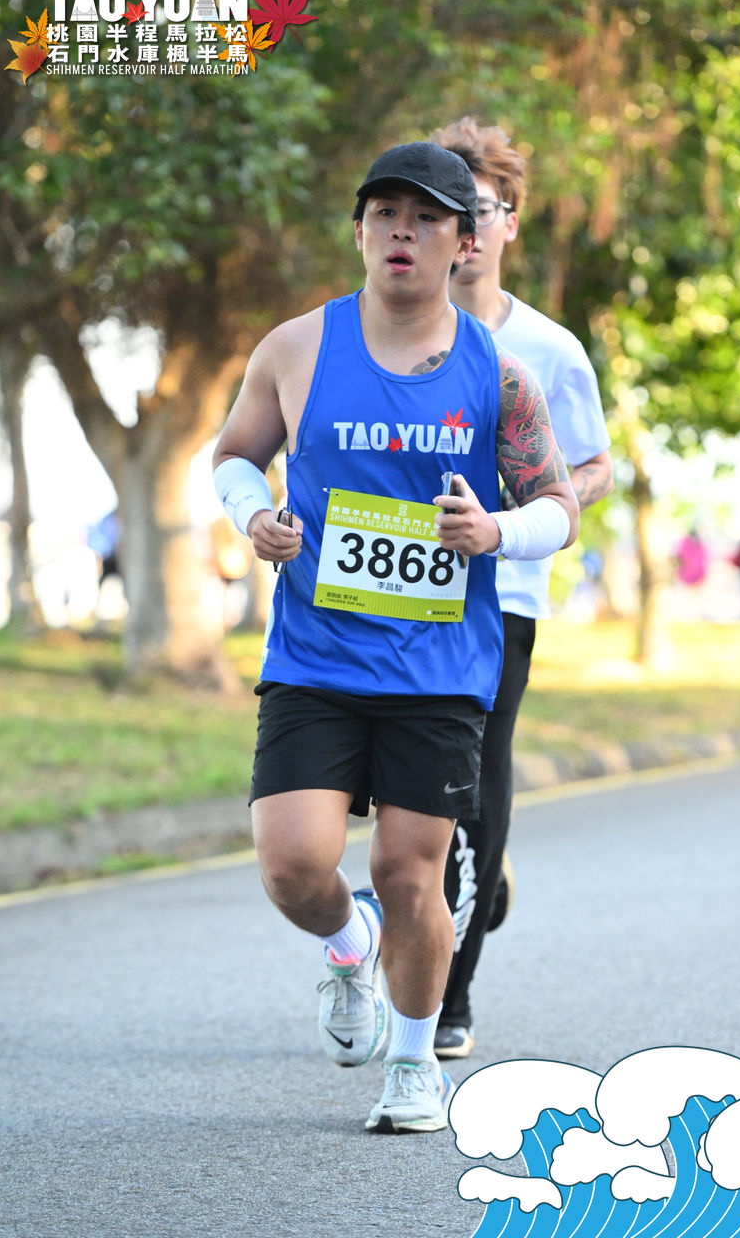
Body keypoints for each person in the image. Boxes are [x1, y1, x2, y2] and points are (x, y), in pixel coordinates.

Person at [211, 141, 579, 1133]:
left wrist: (494, 532)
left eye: (425, 217)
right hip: (315, 656)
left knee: (409, 872)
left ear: (464, 240)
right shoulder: (296, 347)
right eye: (384, 213)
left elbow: (557, 504)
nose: (402, 232)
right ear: (360, 231)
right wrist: (253, 515)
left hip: (439, 667)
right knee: (293, 864)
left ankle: (414, 1065)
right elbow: (235, 456)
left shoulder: (499, 374)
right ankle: (346, 945)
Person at [429, 118, 613, 1060]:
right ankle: (478, 870)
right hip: (396, 593)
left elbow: (594, 466)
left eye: (480, 208)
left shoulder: (549, 348)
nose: (463, 226)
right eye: (444, 208)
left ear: (508, 222)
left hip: (503, 593)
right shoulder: (381, 332)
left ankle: (450, 991)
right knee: (398, 779)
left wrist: (531, 506)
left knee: (479, 768)